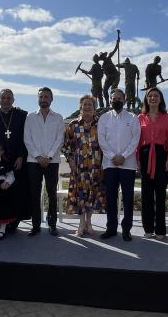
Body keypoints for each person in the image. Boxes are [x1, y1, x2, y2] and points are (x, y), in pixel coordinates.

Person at [0, 89, 29, 233]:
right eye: (3, 98)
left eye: (9, 98)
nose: (6, 100)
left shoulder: (22, 115)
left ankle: (13, 222)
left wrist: (21, 156)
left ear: (13, 100)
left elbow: (25, 138)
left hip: (16, 159)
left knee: (16, 191)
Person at [98, 89, 140, 241]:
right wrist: (112, 156)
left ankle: (126, 229)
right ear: (110, 100)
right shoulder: (104, 118)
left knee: (128, 198)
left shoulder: (133, 118)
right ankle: (111, 229)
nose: (116, 100)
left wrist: (124, 156)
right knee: (111, 197)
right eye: (113, 98)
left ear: (124, 99)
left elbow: (135, 139)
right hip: (109, 164)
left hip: (127, 165)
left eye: (119, 98)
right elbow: (102, 140)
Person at [137, 87, 168, 240]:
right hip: (145, 156)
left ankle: (160, 229)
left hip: (161, 156)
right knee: (146, 195)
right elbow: (137, 141)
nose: (153, 98)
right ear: (146, 99)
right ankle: (148, 229)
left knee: (160, 195)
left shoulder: (166, 117)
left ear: (160, 99)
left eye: (156, 96)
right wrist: (137, 160)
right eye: (150, 96)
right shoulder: (140, 117)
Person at [23, 87, 64, 237]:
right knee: (34, 193)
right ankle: (35, 225)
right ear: (38, 99)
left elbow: (60, 139)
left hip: (52, 162)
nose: (43, 99)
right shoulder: (30, 117)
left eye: (46, 97)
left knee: (51, 193)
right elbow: (27, 139)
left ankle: (52, 224)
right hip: (34, 161)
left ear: (51, 99)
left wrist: (50, 157)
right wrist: (38, 157)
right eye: (41, 97)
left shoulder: (58, 117)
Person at [64, 95, 106, 237]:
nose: (87, 107)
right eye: (85, 105)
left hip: (96, 167)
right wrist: (71, 162)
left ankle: (89, 223)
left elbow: (106, 145)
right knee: (81, 194)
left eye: (90, 105)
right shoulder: (73, 125)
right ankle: (81, 224)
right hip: (80, 167)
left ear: (94, 109)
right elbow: (66, 147)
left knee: (92, 195)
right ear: (80, 107)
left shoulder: (101, 124)